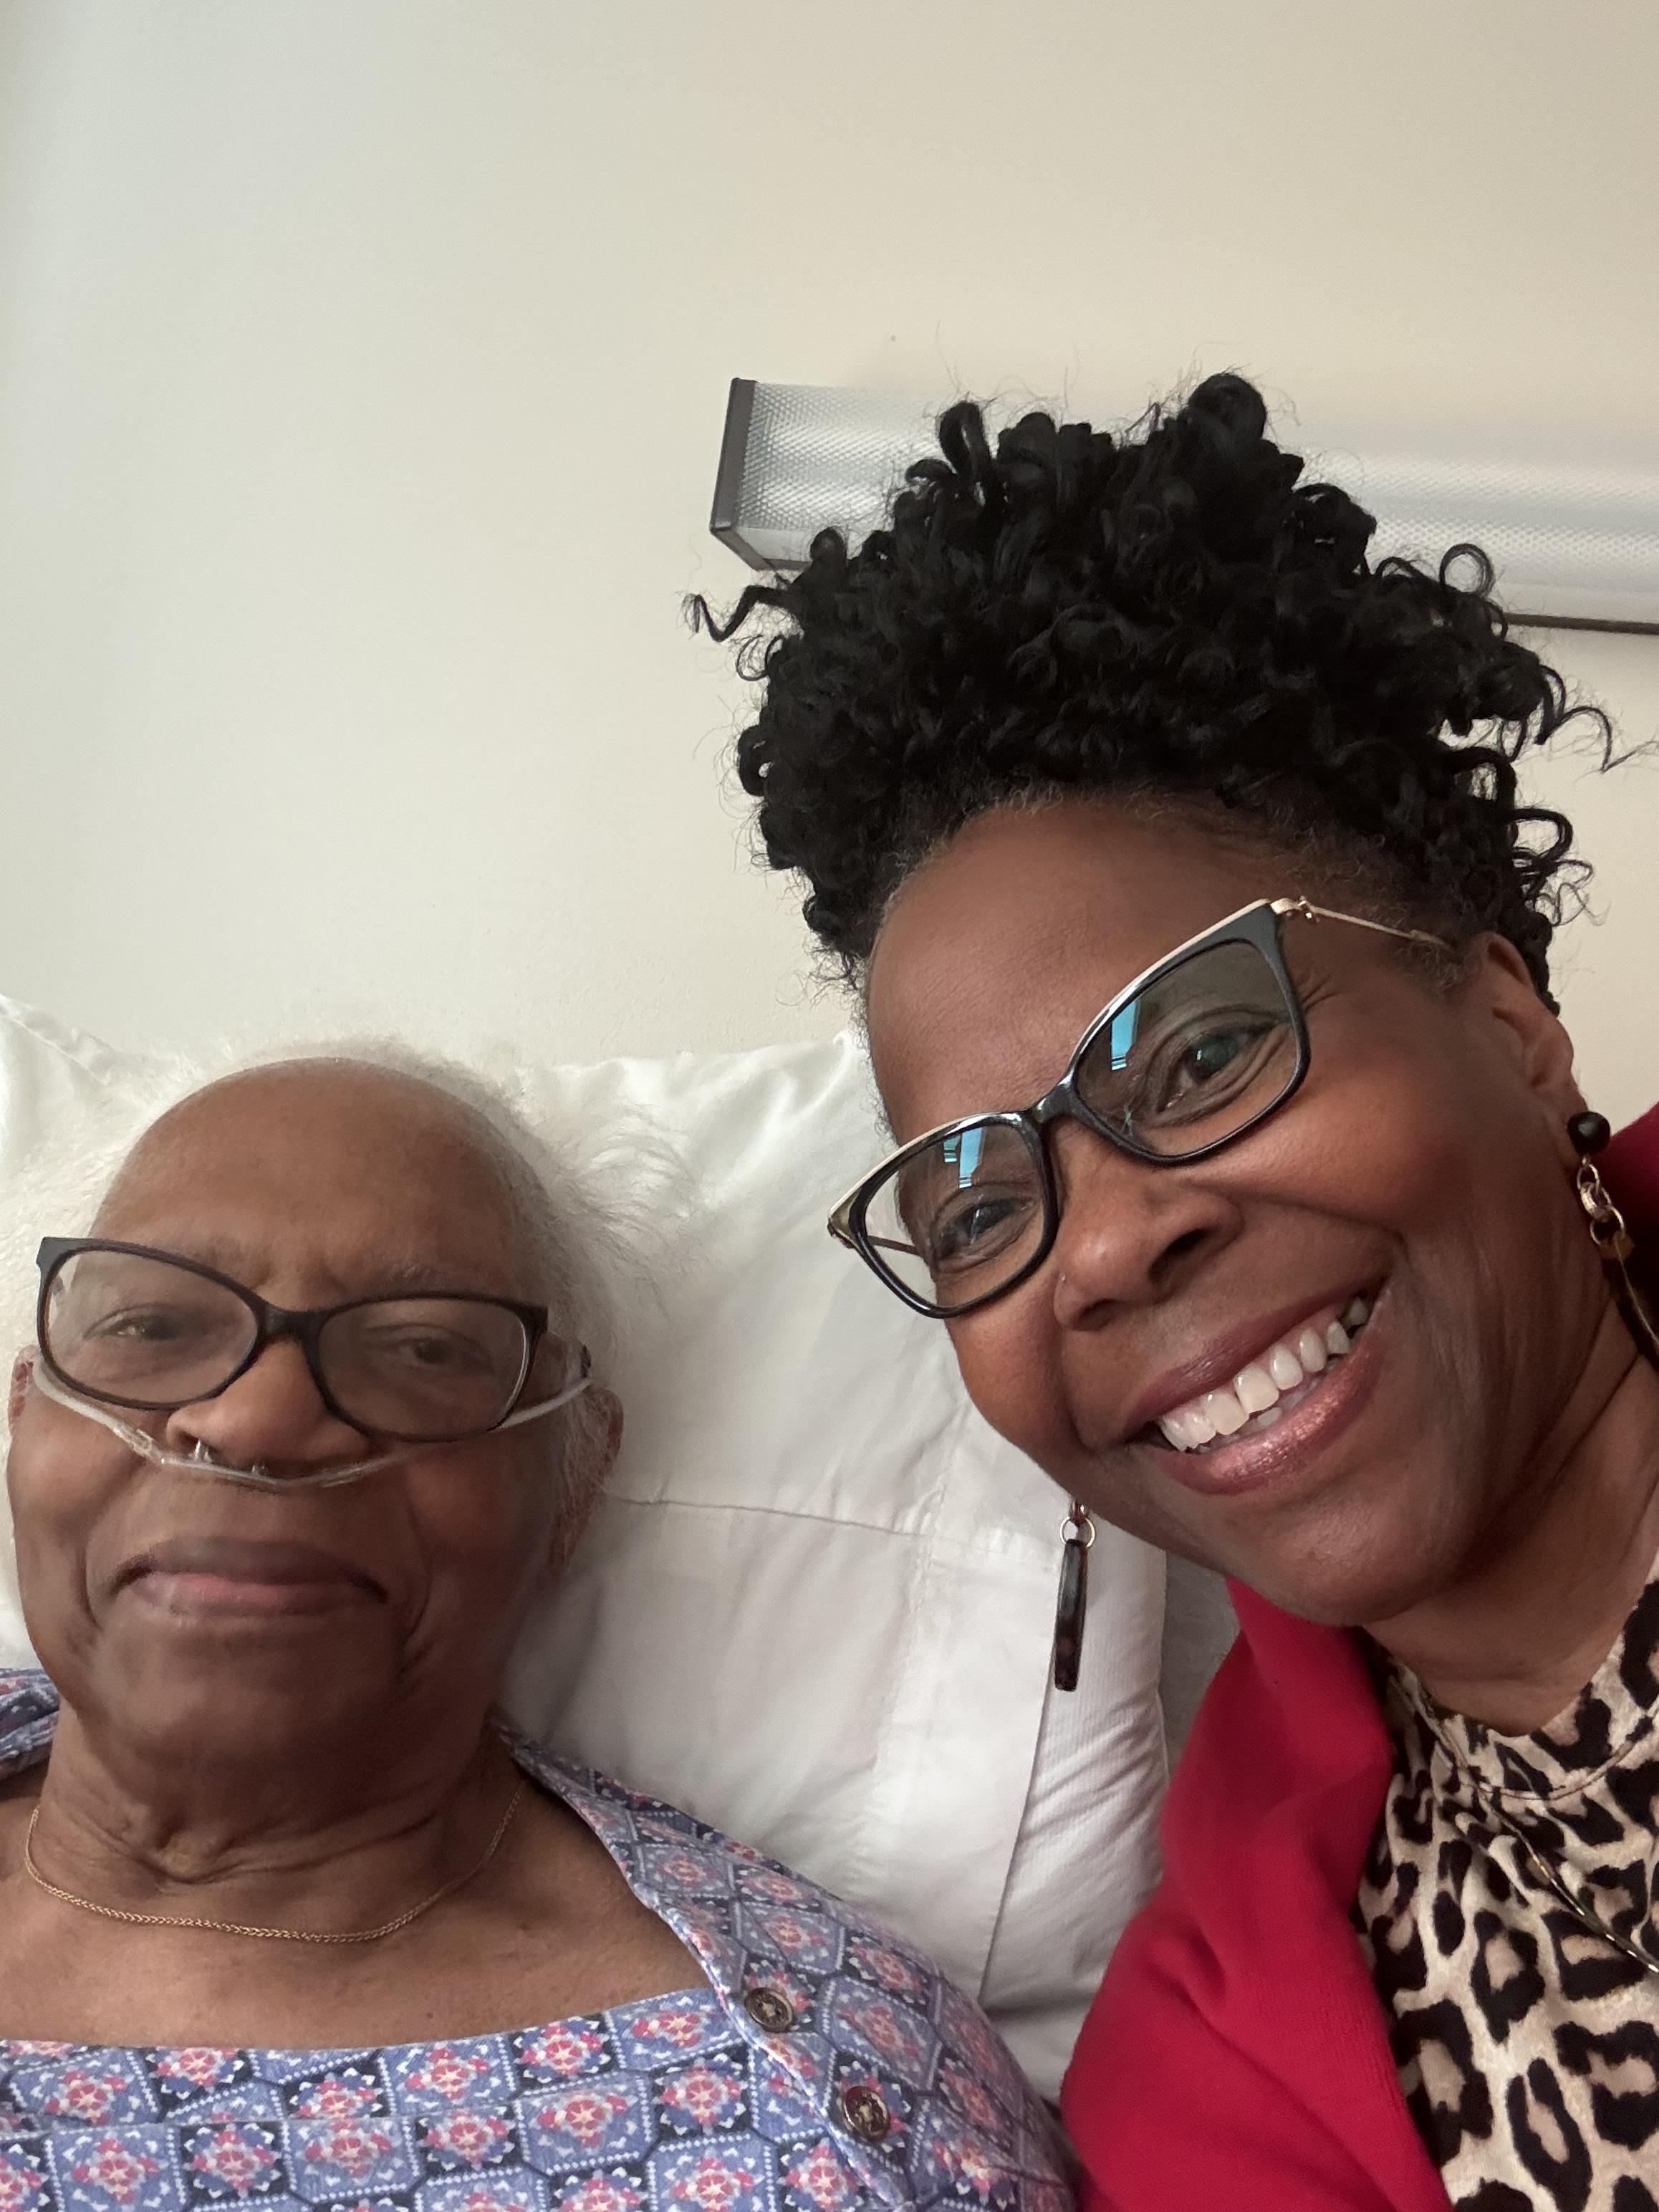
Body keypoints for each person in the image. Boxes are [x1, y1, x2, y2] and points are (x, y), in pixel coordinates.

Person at [702, 374, 1659, 2211]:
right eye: (978, 1202)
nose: (1110, 1240)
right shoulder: (1209, 2080)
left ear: (1511, 1025)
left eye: (1208, 1046)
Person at [0, 1052, 1067, 2212]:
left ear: (573, 1477)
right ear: (25, 1419)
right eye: (153, 1323)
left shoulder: (823, 2107)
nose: (255, 1420)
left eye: (422, 1351)